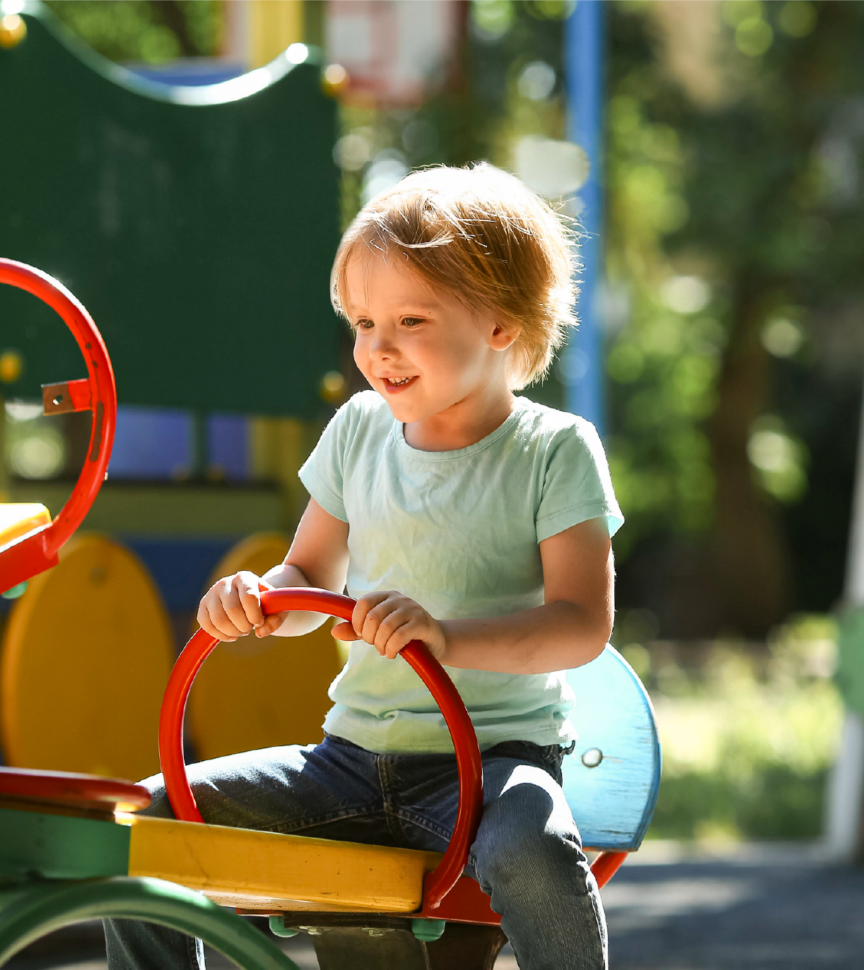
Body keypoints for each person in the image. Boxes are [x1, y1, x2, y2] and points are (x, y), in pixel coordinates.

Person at [105, 163, 622, 969]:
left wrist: (443, 637)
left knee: (532, 846)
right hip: (348, 761)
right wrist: (260, 599)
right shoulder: (357, 431)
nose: (378, 349)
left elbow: (582, 626)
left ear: (501, 324)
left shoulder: (553, 450)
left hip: (486, 765)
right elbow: (307, 579)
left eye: (410, 320)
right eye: (362, 321)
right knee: (148, 817)